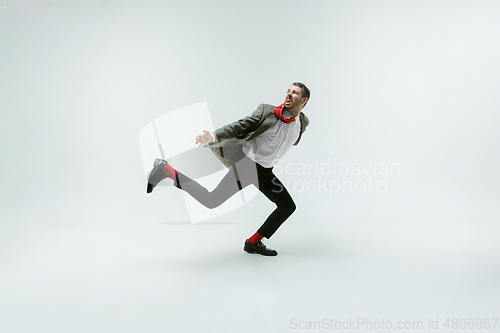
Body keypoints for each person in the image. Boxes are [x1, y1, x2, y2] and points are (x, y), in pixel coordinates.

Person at [147, 82, 310, 256]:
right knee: (211, 201)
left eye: (294, 93)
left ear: (304, 101)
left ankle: (253, 243)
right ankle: (165, 170)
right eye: (288, 91)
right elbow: (241, 125)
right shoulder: (268, 112)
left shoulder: (302, 122)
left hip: (265, 172)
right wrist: (212, 136)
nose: (289, 94)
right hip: (247, 166)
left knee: (287, 206)